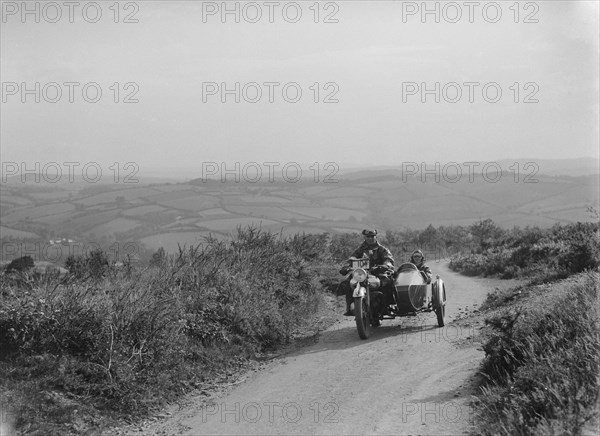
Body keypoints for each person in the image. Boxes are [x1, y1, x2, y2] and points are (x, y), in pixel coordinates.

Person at [339, 229, 395, 316]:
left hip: (378, 272)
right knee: (349, 281)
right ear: (364, 237)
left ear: (376, 236)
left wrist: (384, 266)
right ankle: (350, 307)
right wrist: (346, 267)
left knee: (387, 281)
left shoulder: (382, 249)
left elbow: (388, 259)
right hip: (362, 274)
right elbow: (352, 259)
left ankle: (387, 306)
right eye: (368, 236)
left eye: (372, 236)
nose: (370, 238)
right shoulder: (360, 250)